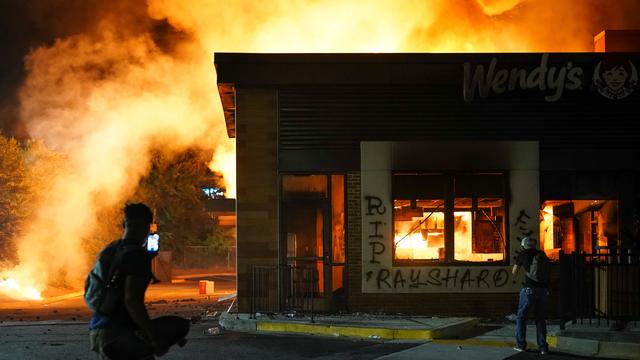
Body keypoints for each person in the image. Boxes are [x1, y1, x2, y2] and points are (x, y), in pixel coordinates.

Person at [89, 203, 189, 359]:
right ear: (147, 227)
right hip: (120, 336)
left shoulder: (109, 250)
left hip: (99, 331)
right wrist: (154, 338)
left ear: (124, 224)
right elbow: (132, 301)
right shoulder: (137, 256)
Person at [512, 236, 549, 355]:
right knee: (540, 318)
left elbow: (514, 271)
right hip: (543, 290)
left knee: (521, 317)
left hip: (529, 289)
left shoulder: (523, 254)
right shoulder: (541, 254)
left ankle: (521, 345)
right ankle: (543, 348)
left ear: (523, 245)